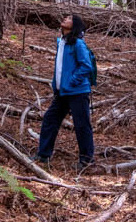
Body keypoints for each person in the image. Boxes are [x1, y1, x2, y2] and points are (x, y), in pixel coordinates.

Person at [34, 13, 95, 173]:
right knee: (50, 119)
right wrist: (58, 85)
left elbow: (86, 66)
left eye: (69, 18)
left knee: (81, 125)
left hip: (78, 91)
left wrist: (72, 81)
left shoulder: (78, 44)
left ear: (74, 25)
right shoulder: (61, 42)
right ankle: (43, 155)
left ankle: (86, 160)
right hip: (62, 92)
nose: (65, 19)